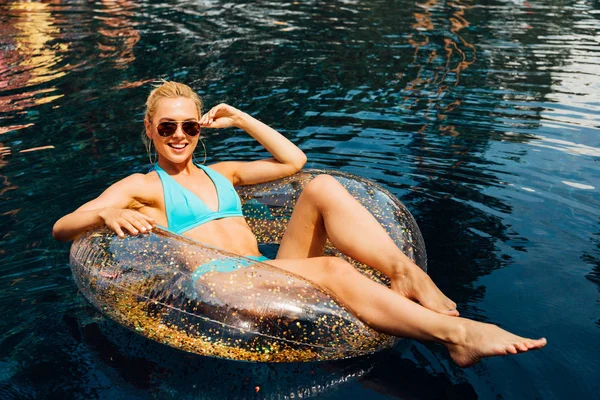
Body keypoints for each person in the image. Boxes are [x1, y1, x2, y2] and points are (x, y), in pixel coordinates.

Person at [53, 81, 546, 367]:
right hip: (222, 287)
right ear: (150, 130)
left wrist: (241, 119)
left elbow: (295, 160)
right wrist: (105, 212)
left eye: (190, 125)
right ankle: (454, 337)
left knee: (323, 187)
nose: (179, 135)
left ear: (200, 128)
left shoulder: (222, 173)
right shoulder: (144, 186)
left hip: (265, 270)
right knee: (334, 271)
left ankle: (403, 271)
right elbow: (62, 225)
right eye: (167, 127)